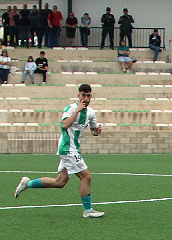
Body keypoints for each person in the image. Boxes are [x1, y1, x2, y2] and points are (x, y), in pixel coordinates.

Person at [14, 83, 106, 218]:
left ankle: (27, 183)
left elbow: (93, 131)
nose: (86, 98)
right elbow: (65, 125)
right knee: (86, 177)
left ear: (91, 96)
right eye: (83, 95)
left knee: (59, 182)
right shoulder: (71, 109)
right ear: (78, 96)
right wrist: (77, 111)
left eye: (88, 96)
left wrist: (97, 131)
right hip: (67, 148)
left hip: (73, 149)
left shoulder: (91, 113)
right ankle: (88, 210)